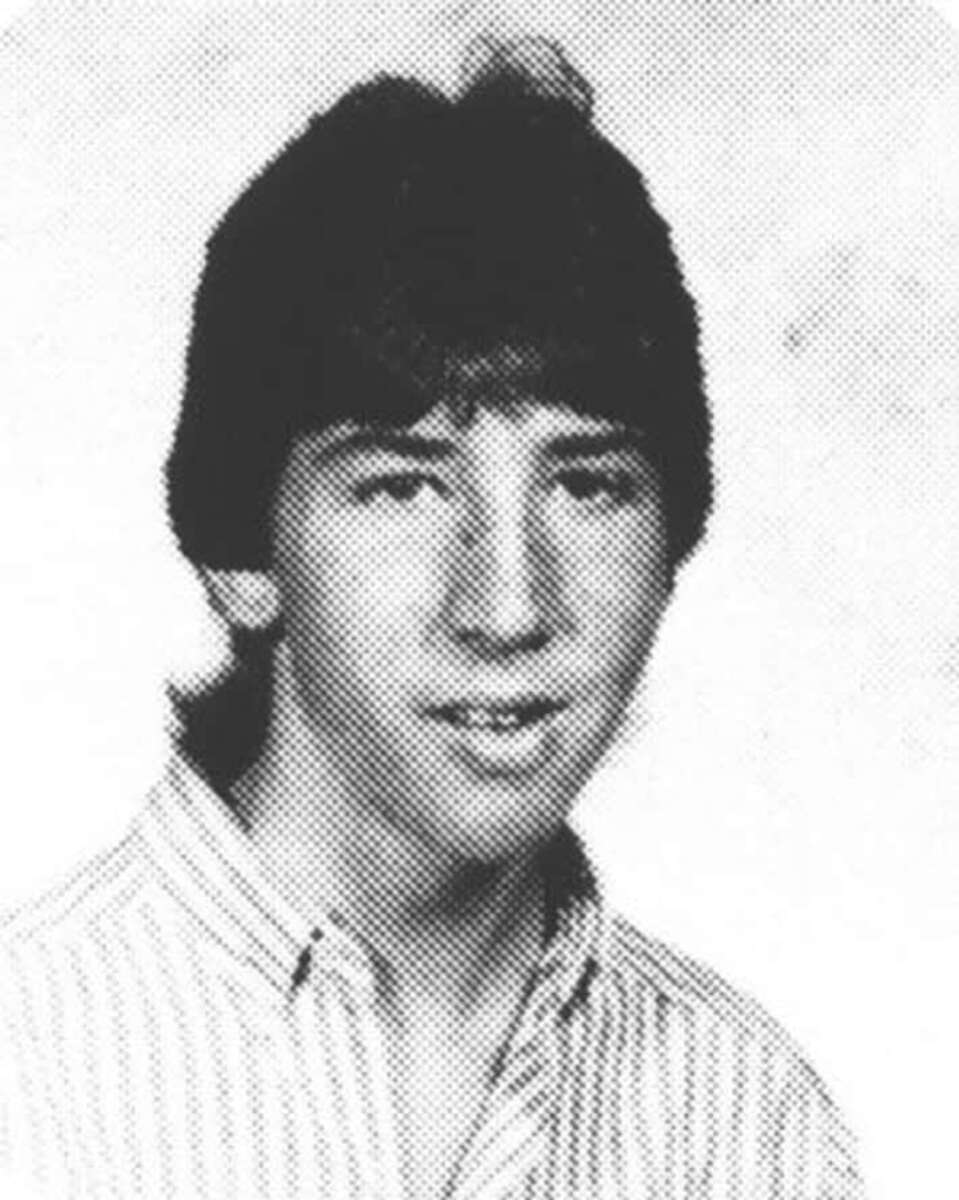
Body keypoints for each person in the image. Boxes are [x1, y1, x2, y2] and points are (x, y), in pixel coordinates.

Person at [0, 36, 862, 1200]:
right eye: (404, 486)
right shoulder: (30, 1061)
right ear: (240, 556)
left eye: (586, 483)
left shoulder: (742, 1115)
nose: (508, 605)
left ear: (670, 549)